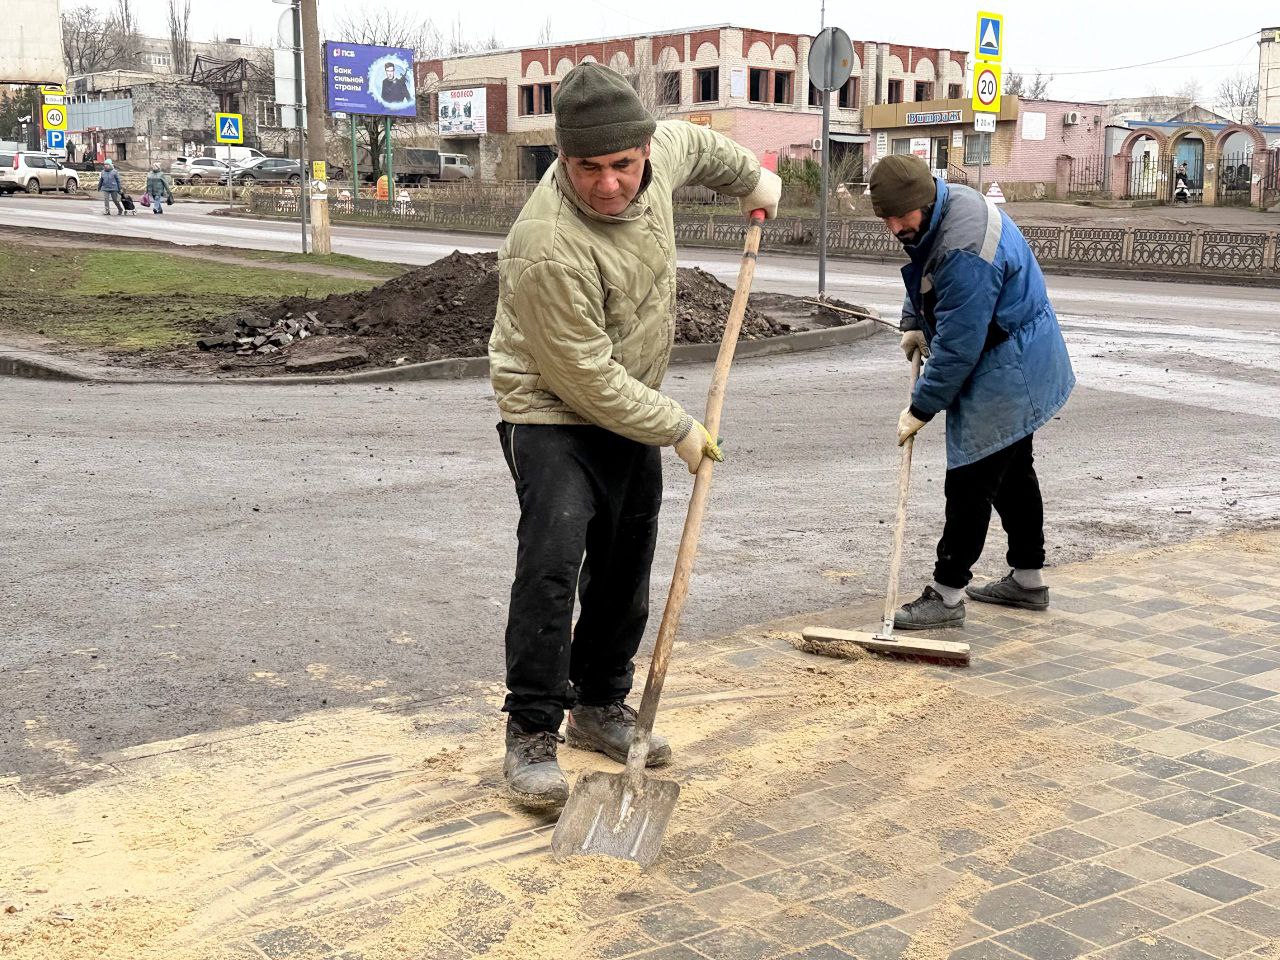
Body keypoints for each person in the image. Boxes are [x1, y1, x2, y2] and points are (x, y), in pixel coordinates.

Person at [488, 62, 781, 807]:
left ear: (643, 150)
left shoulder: (662, 154)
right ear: (563, 158)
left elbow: (705, 149)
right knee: (553, 567)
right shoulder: (546, 243)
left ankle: (598, 705)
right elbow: (583, 376)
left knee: (625, 565)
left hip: (631, 403)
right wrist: (678, 426)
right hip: (550, 410)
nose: (610, 183)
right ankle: (530, 731)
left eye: (623, 164)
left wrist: (754, 181)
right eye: (590, 168)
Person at [869, 154, 1075, 631]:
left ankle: (946, 595)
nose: (896, 226)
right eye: (887, 218)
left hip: (1006, 362)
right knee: (1013, 473)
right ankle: (1028, 580)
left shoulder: (964, 249)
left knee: (971, 478)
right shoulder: (943, 207)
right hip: (1012, 349)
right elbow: (924, 267)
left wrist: (921, 406)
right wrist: (914, 323)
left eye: (901, 216)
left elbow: (960, 347)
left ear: (923, 199)